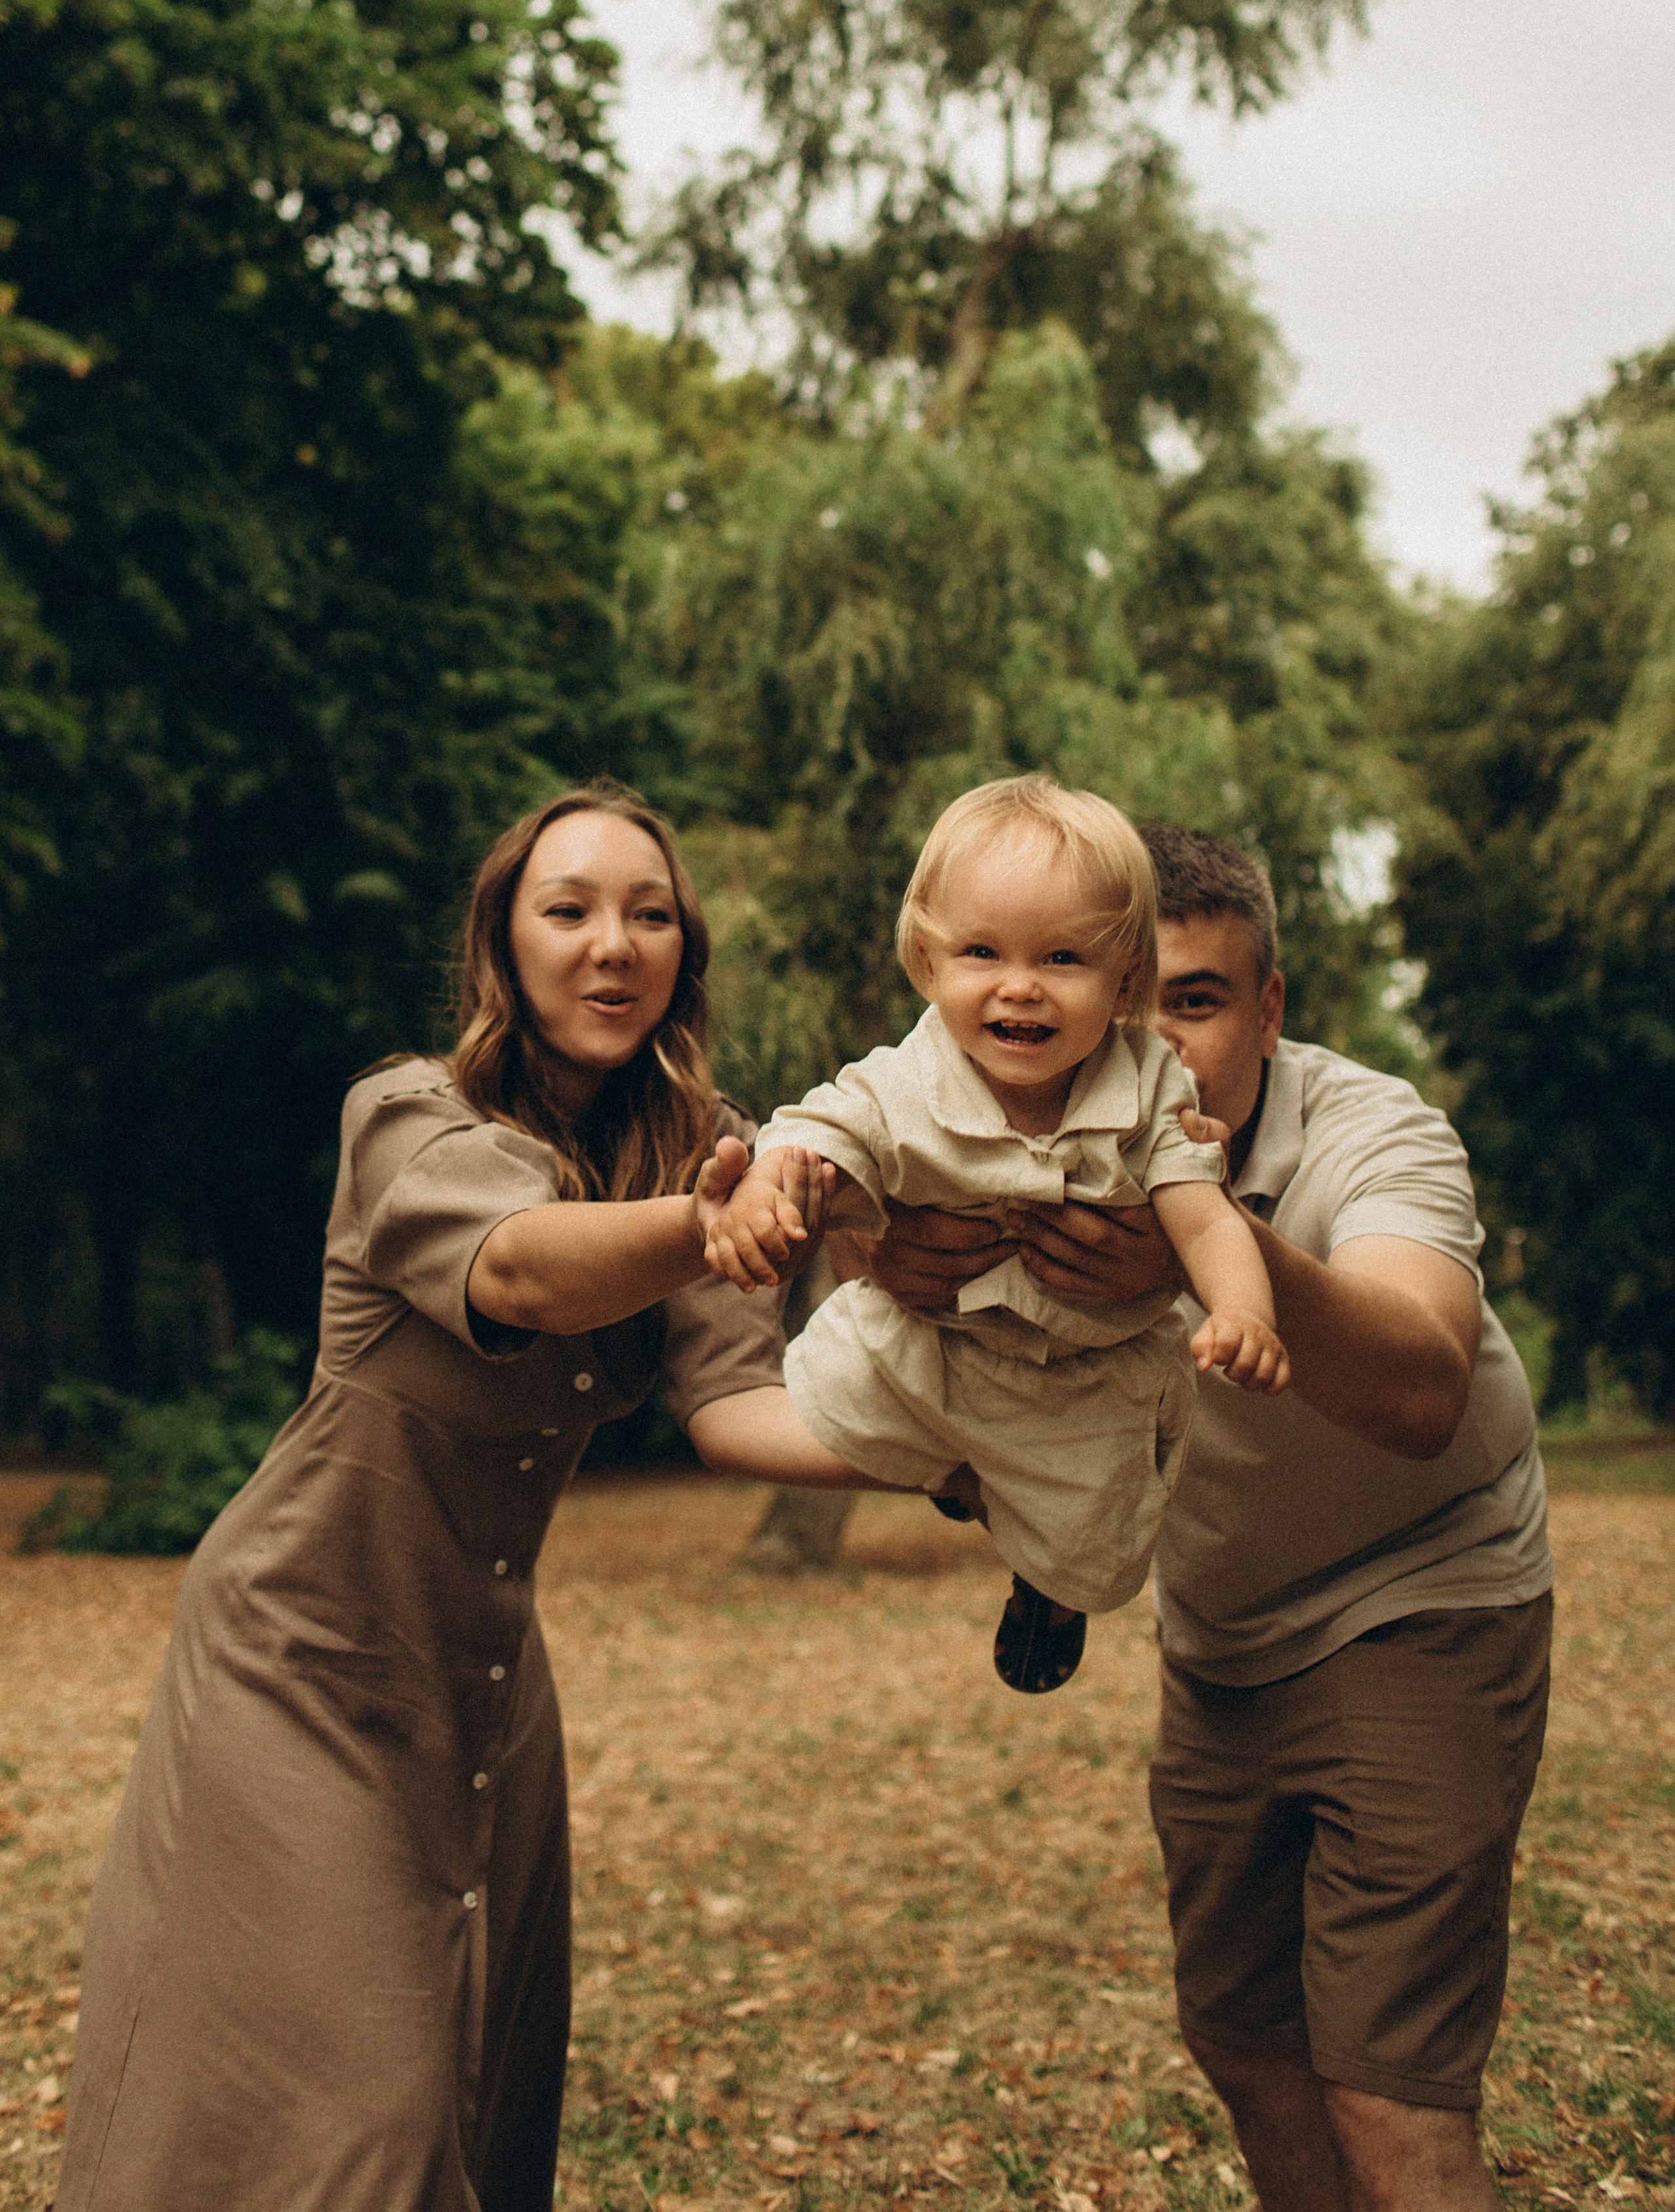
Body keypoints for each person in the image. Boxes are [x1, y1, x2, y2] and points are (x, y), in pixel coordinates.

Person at [58, 781, 862, 2212]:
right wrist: (704, 1226)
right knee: (372, 2108)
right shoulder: (409, 1117)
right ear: (503, 942)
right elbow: (522, 1269)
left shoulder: (707, 1149)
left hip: (484, 1684)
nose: (612, 944)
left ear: (684, 951)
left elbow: (737, 1408)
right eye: (570, 910)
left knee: (478, 2089)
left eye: (650, 915)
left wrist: (953, 1450)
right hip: (298, 1656)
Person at [855, 822, 1551, 2212]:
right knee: (1242, 2035)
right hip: (1221, 1633)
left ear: (1269, 1008)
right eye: (1125, 997)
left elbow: (1422, 1387)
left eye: (1197, 1000)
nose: (1153, 1042)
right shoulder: (1012, 1133)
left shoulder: (1371, 1131)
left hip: (1419, 1597)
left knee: (1387, 2085)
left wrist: (1197, 1245)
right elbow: (946, 1383)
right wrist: (892, 1270)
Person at [703, 777, 1287, 1695]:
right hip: (928, 1344)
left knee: (1096, 1545)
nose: (1020, 986)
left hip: (1081, 1372)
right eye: (982, 952)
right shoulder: (901, 1081)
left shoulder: (1148, 1090)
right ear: (927, 962)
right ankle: (958, 1469)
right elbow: (815, 1140)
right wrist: (765, 1197)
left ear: (1126, 982)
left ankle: (1048, 1590)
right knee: (802, 1416)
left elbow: (1204, 1215)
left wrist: (1244, 1309)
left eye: (1063, 958)